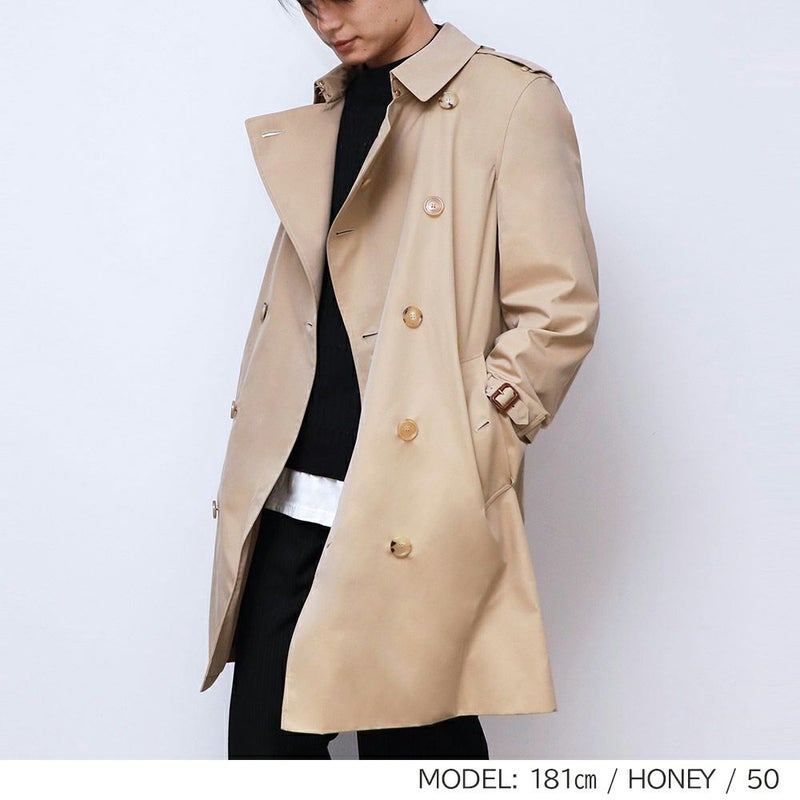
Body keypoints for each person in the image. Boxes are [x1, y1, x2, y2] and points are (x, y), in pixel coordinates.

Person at [204, 0, 600, 760]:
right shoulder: (334, 106)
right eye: (307, 4)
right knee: (263, 748)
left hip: (414, 493)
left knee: (417, 750)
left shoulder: (510, 99)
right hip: (292, 490)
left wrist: (478, 437)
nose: (326, 20)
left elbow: (559, 307)